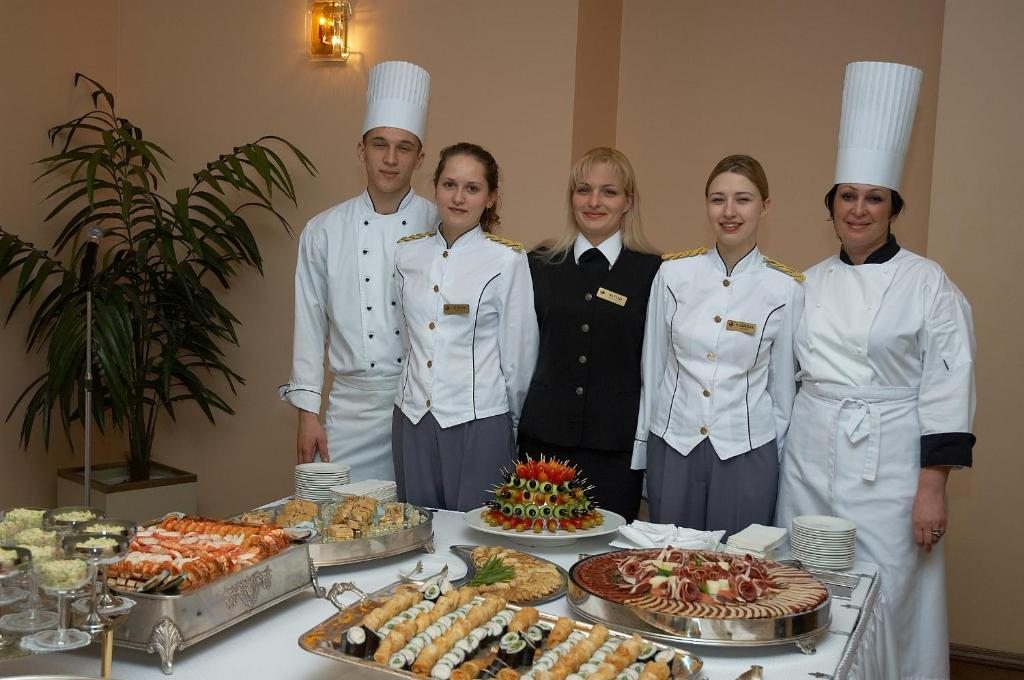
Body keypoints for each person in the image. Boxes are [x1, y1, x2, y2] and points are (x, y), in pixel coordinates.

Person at [775, 62, 975, 680]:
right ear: (831, 206)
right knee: (804, 586)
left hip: (891, 470)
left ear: (893, 209)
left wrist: (932, 488)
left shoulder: (928, 283)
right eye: (847, 196)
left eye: (874, 198)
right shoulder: (807, 282)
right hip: (808, 459)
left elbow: (950, 384)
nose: (858, 209)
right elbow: (784, 377)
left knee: (890, 590)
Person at [279, 61, 437, 480]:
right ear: (361, 150)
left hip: (422, 409)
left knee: (418, 515)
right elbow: (310, 325)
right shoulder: (324, 230)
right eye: (379, 144)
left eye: (404, 147)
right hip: (349, 410)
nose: (391, 159)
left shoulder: (440, 225)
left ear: (420, 157)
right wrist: (307, 414)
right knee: (331, 513)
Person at [633, 154, 804, 536]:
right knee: (671, 560)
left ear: (765, 207)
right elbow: (654, 369)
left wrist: (775, 461)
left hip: (747, 451)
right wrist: (645, 451)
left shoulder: (784, 289)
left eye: (743, 199)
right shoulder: (673, 274)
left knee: (738, 563)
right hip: (674, 443)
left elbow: (783, 393)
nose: (729, 211)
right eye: (718, 199)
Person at [392, 143, 539, 511]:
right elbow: (408, 339)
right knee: (418, 529)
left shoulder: (506, 259)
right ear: (435, 188)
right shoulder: (406, 254)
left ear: (490, 198)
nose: (458, 198)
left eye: (472, 188)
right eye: (449, 185)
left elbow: (519, 356)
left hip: (480, 420)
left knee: (477, 534)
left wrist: (511, 425)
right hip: (413, 417)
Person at [518, 147, 660, 522]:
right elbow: (519, 354)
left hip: (616, 451)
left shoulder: (653, 273)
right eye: (584, 190)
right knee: (536, 548)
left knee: (608, 554)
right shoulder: (537, 265)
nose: (594, 202)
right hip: (543, 446)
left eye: (608, 192)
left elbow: (656, 368)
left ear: (628, 201)